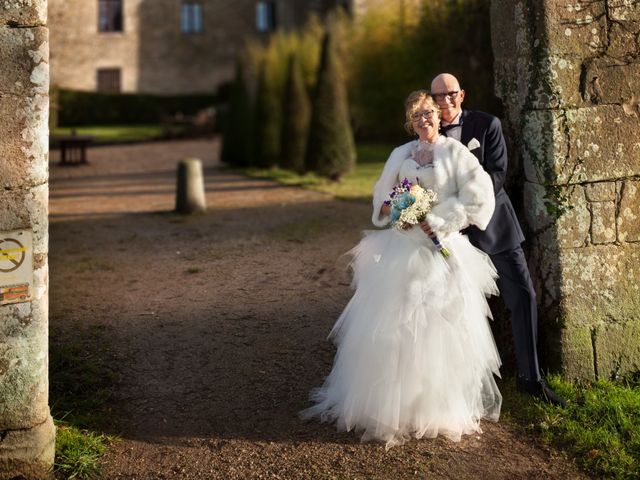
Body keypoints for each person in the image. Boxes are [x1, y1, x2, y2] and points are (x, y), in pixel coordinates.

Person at [300, 90, 502, 448]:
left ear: (438, 116)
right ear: (409, 122)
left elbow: (481, 194)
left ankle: (434, 408)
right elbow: (382, 194)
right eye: (415, 117)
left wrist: (439, 220)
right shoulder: (400, 154)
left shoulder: (454, 152)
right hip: (402, 248)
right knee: (393, 324)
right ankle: (390, 407)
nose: (422, 121)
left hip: (440, 248)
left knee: (436, 329)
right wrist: (398, 213)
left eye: (427, 114)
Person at [429, 73, 565, 406]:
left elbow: (498, 174)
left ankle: (531, 379)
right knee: (451, 307)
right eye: (436, 96)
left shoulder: (488, 124)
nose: (443, 100)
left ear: (462, 94)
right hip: (452, 234)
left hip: (495, 226)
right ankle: (460, 386)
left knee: (523, 297)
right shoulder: (427, 133)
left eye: (449, 93)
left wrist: (464, 201)